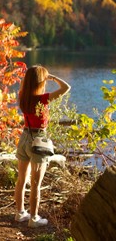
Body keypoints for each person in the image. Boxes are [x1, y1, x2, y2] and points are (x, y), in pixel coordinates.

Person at [14, 65, 71, 228]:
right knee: (36, 184)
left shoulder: (22, 95)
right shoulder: (42, 99)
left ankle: (20, 213)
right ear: (41, 81)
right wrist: (52, 77)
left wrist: (33, 78)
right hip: (39, 139)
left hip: (24, 137)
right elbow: (66, 87)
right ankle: (34, 218)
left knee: (21, 180)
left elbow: (26, 84)